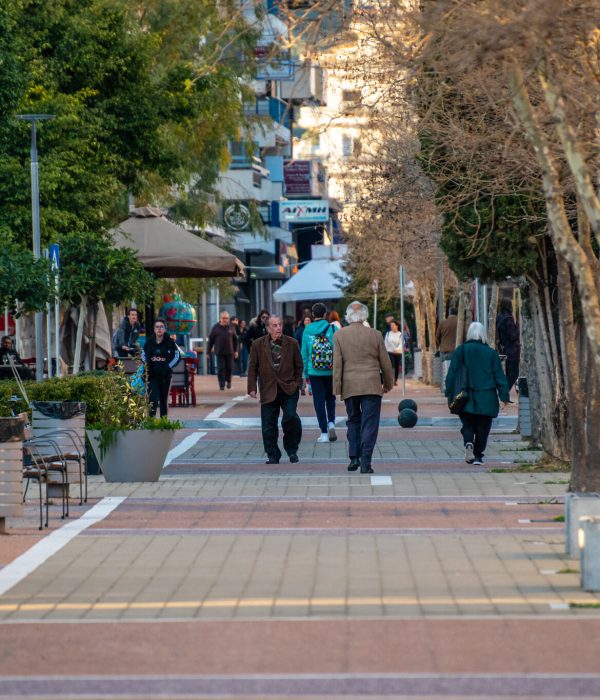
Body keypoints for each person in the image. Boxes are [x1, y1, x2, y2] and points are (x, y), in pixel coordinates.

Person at [333, 301, 394, 474]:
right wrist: (388, 384)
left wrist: (337, 388)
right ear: (365, 315)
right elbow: (386, 363)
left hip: (350, 385)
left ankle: (354, 457)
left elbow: (337, 364)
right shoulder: (375, 334)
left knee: (353, 420)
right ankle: (366, 462)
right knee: (369, 423)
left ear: (348, 315)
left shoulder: (339, 335)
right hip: (371, 385)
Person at [445, 321, 510, 466]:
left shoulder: (461, 350)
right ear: (483, 334)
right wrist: (504, 396)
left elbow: (452, 374)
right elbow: (499, 376)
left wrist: (448, 392)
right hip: (486, 397)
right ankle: (478, 456)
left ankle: (468, 443)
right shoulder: (491, 353)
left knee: (467, 423)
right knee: (483, 428)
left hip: (464, 396)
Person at [247, 315, 303, 465]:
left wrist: (298, 383)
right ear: (268, 328)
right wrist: (252, 387)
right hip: (268, 389)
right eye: (275, 325)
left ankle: (292, 450)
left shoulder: (292, 343)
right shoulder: (258, 345)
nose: (278, 328)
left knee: (291, 418)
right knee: (268, 425)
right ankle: (273, 454)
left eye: (280, 325)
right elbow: (252, 367)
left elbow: (299, 366)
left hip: (289, 388)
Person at [301, 302, 338, 443]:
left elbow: (304, 354)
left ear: (312, 314)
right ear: (325, 314)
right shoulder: (333, 329)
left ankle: (323, 433)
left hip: (314, 371)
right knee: (330, 398)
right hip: (330, 370)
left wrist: (304, 374)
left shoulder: (307, 330)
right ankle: (332, 423)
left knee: (318, 401)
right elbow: (338, 351)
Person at [141, 319, 180, 418]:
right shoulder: (149, 342)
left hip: (165, 376)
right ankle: (151, 421)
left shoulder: (170, 343)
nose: (159, 329)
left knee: (163, 400)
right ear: (154, 329)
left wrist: (167, 368)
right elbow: (143, 355)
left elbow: (177, 357)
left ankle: (163, 422)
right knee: (152, 399)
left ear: (165, 329)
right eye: (157, 327)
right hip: (152, 375)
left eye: (161, 327)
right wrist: (148, 366)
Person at [207, 310, 239, 390]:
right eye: (223, 318)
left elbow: (235, 340)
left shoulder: (231, 327)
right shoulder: (215, 328)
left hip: (230, 352)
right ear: (220, 318)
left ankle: (228, 381)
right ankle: (221, 384)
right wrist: (208, 352)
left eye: (227, 318)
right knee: (221, 368)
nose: (225, 320)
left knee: (230, 367)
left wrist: (236, 351)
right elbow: (211, 340)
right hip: (219, 352)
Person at [496, 299, 520, 392]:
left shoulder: (499, 317)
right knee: (514, 373)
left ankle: (503, 391)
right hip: (512, 350)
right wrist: (517, 327)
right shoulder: (508, 318)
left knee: (508, 372)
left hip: (503, 348)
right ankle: (504, 391)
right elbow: (513, 335)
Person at [384, 320, 403, 385]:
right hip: (389, 352)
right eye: (391, 325)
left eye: (393, 325)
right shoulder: (388, 333)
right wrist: (385, 350)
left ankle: (396, 380)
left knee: (397, 366)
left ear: (397, 326)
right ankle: (390, 380)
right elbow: (385, 342)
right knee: (390, 366)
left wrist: (397, 349)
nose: (392, 327)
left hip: (398, 352)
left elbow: (402, 343)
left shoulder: (400, 334)